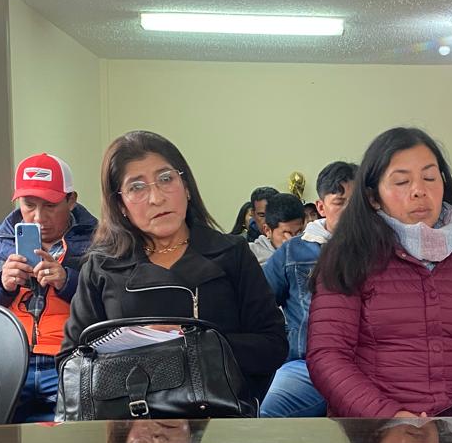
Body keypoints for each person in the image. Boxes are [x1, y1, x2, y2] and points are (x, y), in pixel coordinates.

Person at [306, 127, 452, 418]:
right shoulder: (349, 254)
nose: (419, 190)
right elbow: (328, 355)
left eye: (430, 178)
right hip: (374, 429)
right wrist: (388, 417)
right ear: (373, 196)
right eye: (401, 181)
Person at [63, 131, 287, 405]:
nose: (156, 197)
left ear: (187, 187)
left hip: (215, 417)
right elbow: (70, 362)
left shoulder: (231, 253)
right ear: (120, 205)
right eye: (136, 187)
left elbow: (273, 345)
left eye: (166, 179)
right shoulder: (102, 266)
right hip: (131, 420)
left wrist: (192, 345)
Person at [0, 153, 98, 421]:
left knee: (77, 439)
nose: (38, 217)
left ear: (71, 200)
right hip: (5, 361)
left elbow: (114, 305)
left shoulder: (100, 239)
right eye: (29, 205)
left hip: (72, 360)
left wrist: (68, 281)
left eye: (50, 205)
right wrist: (1, 284)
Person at [259, 160, 357, 418]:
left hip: (367, 364)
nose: (350, 211)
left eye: (356, 202)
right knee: (268, 411)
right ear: (321, 207)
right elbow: (259, 303)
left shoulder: (383, 248)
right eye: (340, 202)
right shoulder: (294, 251)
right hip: (307, 365)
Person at [249, 192, 305, 266]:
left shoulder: (312, 251)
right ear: (267, 230)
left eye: (299, 232)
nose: (292, 240)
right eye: (286, 233)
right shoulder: (249, 254)